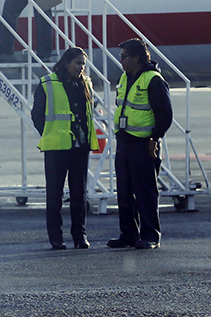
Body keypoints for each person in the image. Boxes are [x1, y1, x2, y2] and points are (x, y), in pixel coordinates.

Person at [107, 38, 173, 250]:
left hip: (144, 143)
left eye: (124, 57)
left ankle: (151, 235)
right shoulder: (126, 78)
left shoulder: (153, 80)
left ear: (136, 58)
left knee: (145, 191)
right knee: (124, 190)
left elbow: (165, 113)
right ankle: (128, 234)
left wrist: (155, 138)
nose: (121, 61)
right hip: (125, 141)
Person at [31, 47, 99, 250]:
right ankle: (56, 237)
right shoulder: (48, 83)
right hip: (57, 148)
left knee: (79, 194)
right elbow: (37, 115)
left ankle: (80, 236)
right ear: (67, 63)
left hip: (80, 147)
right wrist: (51, 133)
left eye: (83, 64)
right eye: (78, 63)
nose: (81, 67)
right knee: (55, 195)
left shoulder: (86, 83)